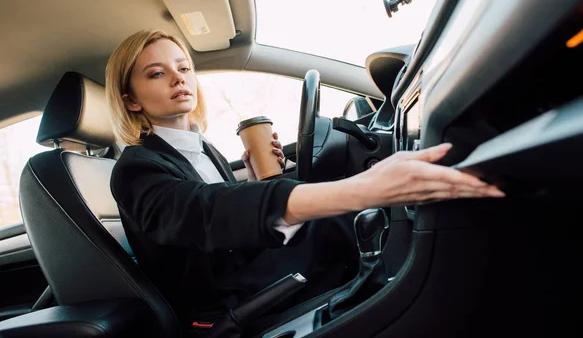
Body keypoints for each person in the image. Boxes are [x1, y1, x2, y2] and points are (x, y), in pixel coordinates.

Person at [106, 29, 504, 328]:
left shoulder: (200, 147)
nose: (179, 79)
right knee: (347, 223)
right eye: (157, 73)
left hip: (241, 269)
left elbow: (221, 209)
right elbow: (202, 214)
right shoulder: (135, 168)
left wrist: (261, 176)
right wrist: (362, 188)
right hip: (220, 304)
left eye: (184, 67)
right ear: (131, 100)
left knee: (353, 225)